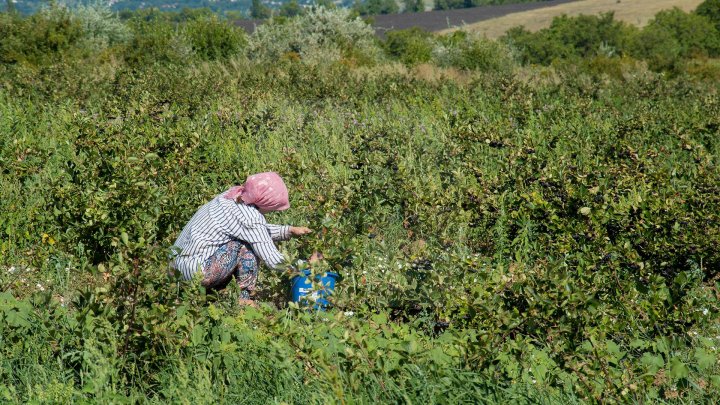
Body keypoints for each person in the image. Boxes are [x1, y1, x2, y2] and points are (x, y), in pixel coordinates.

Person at [170, 172, 312, 306]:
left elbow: (252, 230)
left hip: (175, 268)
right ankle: (242, 301)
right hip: (194, 273)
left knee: (246, 240)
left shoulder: (233, 195)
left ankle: (213, 296)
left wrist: (288, 230)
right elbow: (273, 260)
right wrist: (306, 265)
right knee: (246, 247)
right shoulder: (250, 217)